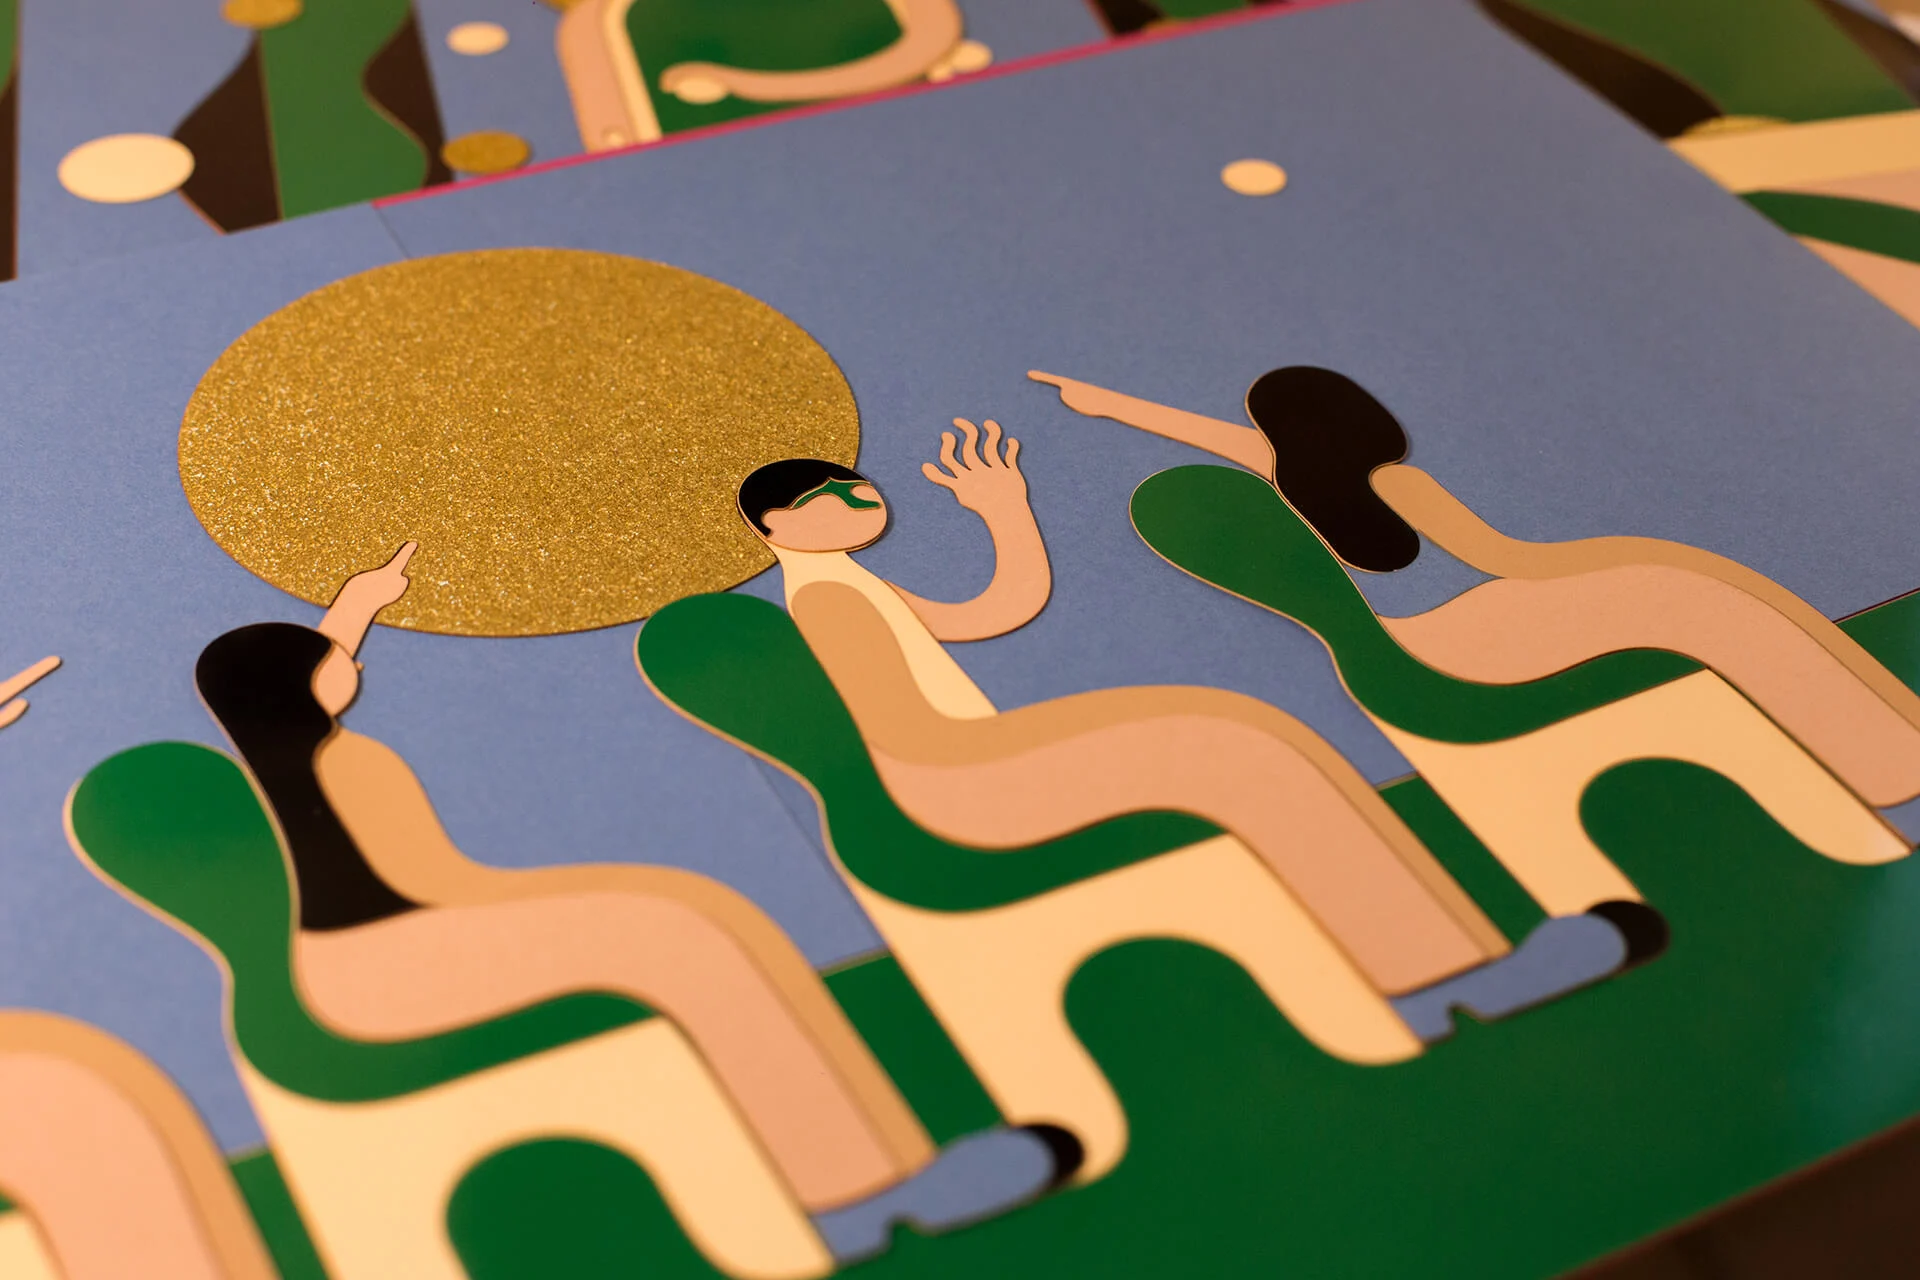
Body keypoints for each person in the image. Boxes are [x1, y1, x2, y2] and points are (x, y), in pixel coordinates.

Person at [193, 543, 1063, 1264]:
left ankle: (857, 1176)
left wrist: (357, 604)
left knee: (682, 922)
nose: (350, 663)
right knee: (683, 940)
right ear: (298, 690)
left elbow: (289, 676)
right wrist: (608, 900)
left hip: (382, 950)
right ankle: (846, 1194)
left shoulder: (280, 759)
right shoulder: (334, 767)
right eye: (333, 661)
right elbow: (438, 886)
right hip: (392, 957)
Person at [737, 421, 1640, 1043]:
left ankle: (1430, 971)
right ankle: (1427, 975)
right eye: (826, 495)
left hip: (977, 766)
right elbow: (912, 737)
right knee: (1238, 751)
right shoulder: (827, 599)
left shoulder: (846, 584)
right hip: (964, 779)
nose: (856, 496)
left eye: (853, 483)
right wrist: (1120, 722)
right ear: (773, 524)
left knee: (1244, 747)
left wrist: (1003, 506)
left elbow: (995, 609)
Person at [1028, 367, 1920, 815]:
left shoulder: (1284, 478)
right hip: (1482, 626)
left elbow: (1212, 436)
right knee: (1693, 596)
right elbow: (1517, 562)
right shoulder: (1398, 481)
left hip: (1401, 640)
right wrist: (1636, 561)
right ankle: (1883, 759)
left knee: (1673, 590)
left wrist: (1104, 403)